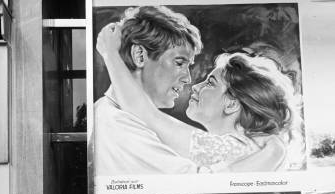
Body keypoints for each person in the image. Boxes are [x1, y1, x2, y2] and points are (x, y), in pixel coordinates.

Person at [97, 22, 303, 172]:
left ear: (232, 103)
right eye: (179, 62)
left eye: (210, 83)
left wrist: (110, 53)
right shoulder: (256, 147)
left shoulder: (242, 148)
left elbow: (146, 115)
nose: (194, 85)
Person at [92, 5, 202, 178]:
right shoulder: (119, 126)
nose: (188, 78)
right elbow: (199, 179)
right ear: (140, 56)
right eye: (180, 63)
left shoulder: (116, 114)